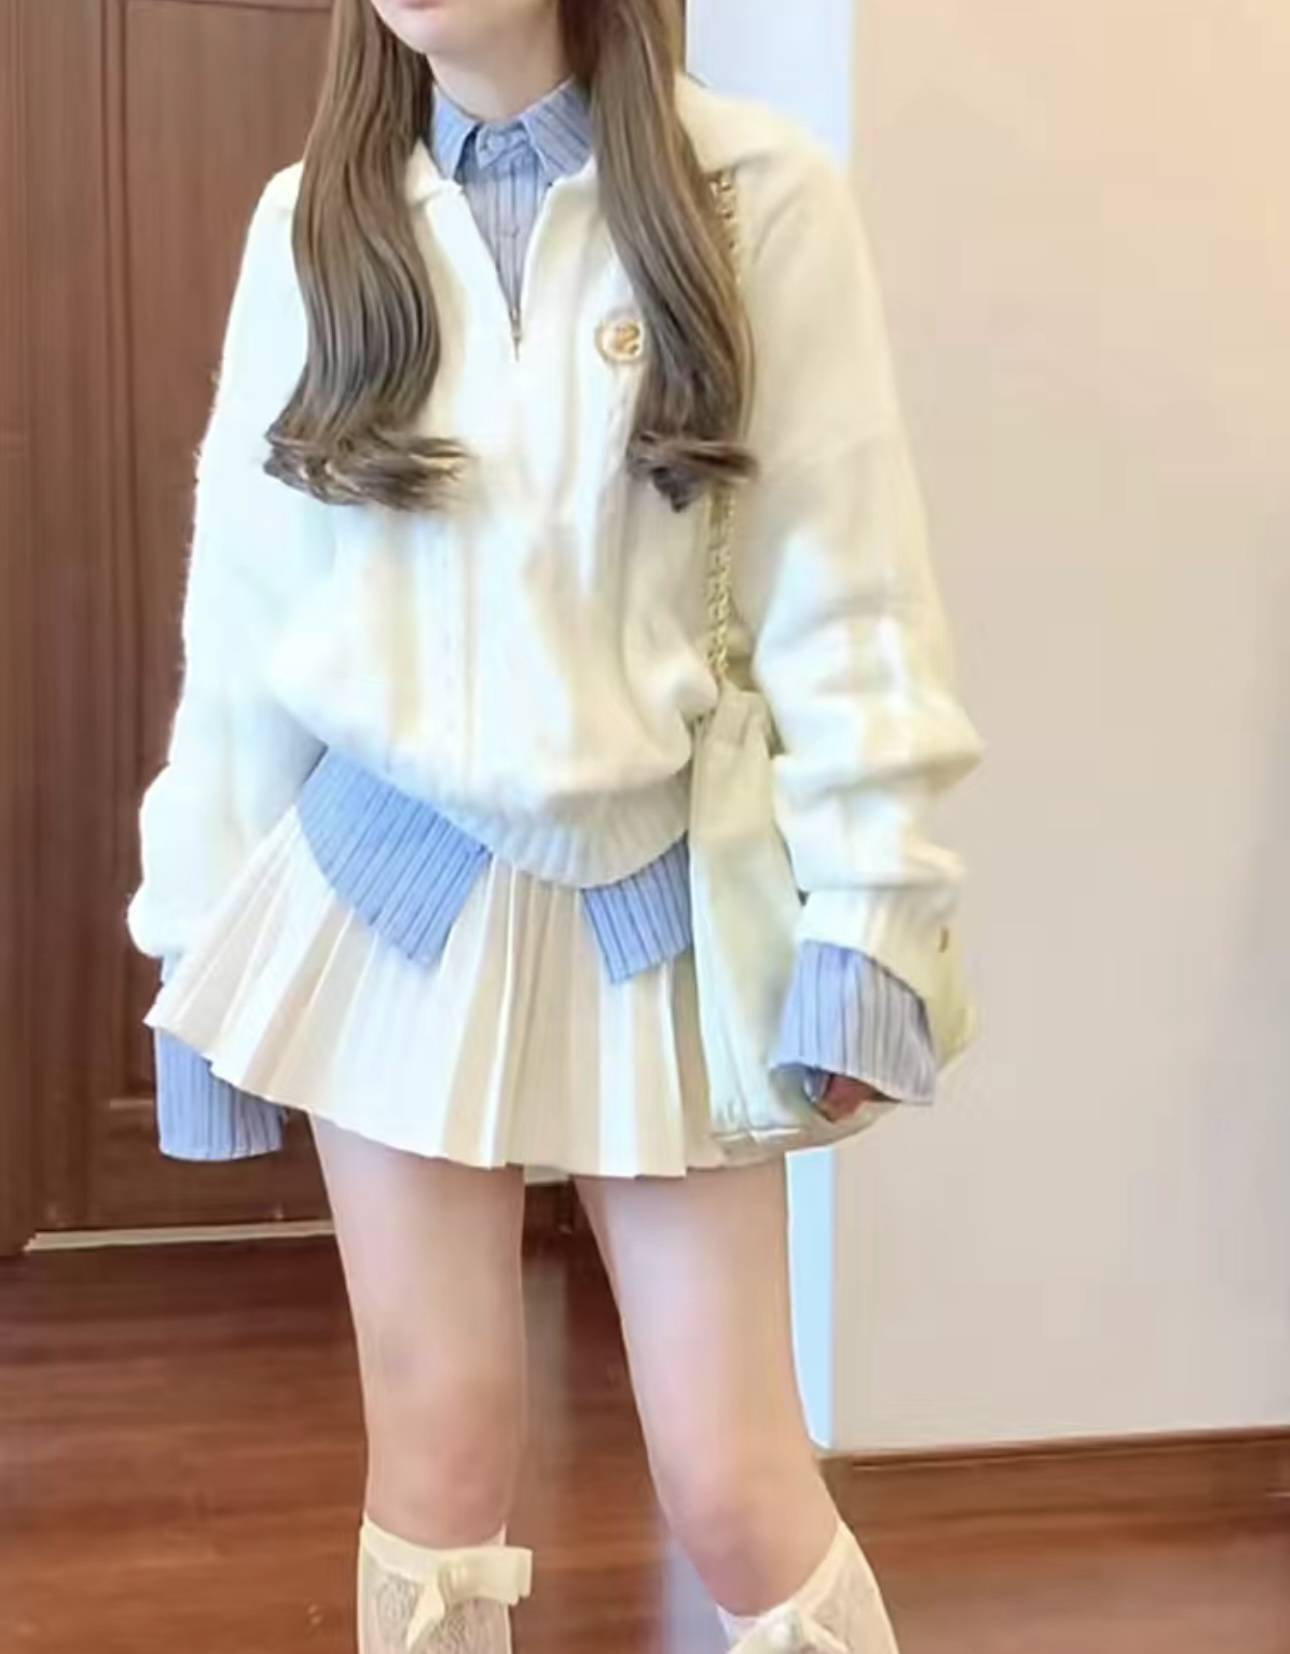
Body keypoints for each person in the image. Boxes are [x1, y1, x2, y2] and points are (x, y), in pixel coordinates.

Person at [127, 1, 984, 1648]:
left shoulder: (753, 197)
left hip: (649, 905)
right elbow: (242, 631)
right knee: (436, 1464)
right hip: (383, 902)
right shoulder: (312, 223)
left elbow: (849, 596)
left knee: (734, 1483)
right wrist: (197, 935)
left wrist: (869, 914)